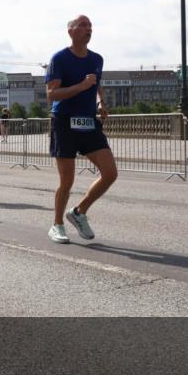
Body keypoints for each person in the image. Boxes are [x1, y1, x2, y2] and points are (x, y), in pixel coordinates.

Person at [45, 14, 117, 244]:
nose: (88, 29)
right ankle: (57, 225)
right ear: (71, 31)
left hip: (88, 122)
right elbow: (51, 94)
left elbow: (97, 85)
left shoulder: (97, 59)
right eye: (83, 25)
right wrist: (81, 86)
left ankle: (79, 212)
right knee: (67, 181)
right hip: (64, 122)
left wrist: (100, 103)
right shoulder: (60, 58)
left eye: (90, 26)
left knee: (110, 173)